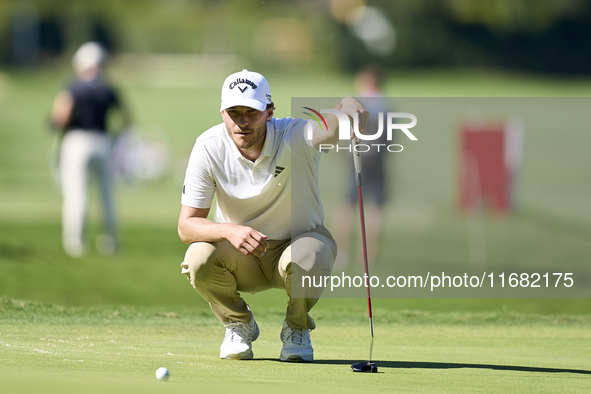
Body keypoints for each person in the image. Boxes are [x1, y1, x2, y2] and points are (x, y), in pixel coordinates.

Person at [178, 69, 368, 361]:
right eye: (234, 112)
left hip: (298, 246)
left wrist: (345, 106)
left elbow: (328, 130)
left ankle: (297, 328)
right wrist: (229, 231)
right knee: (197, 258)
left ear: (269, 112)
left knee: (309, 256)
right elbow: (186, 226)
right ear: (222, 113)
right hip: (242, 255)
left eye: (251, 112)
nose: (242, 122)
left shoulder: (294, 135)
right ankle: (238, 323)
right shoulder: (208, 147)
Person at [50, 42, 129, 257]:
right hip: (102, 142)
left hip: (77, 142)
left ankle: (76, 243)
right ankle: (110, 242)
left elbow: (60, 117)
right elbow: (126, 119)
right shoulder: (108, 88)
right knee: (106, 196)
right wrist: (114, 139)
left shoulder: (73, 87)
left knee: (77, 194)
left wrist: (53, 124)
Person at [332, 65, 391, 271]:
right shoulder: (385, 104)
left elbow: (341, 131)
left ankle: (342, 253)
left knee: (347, 206)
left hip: (357, 160)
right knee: (375, 209)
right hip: (378, 162)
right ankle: (368, 257)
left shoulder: (356, 102)